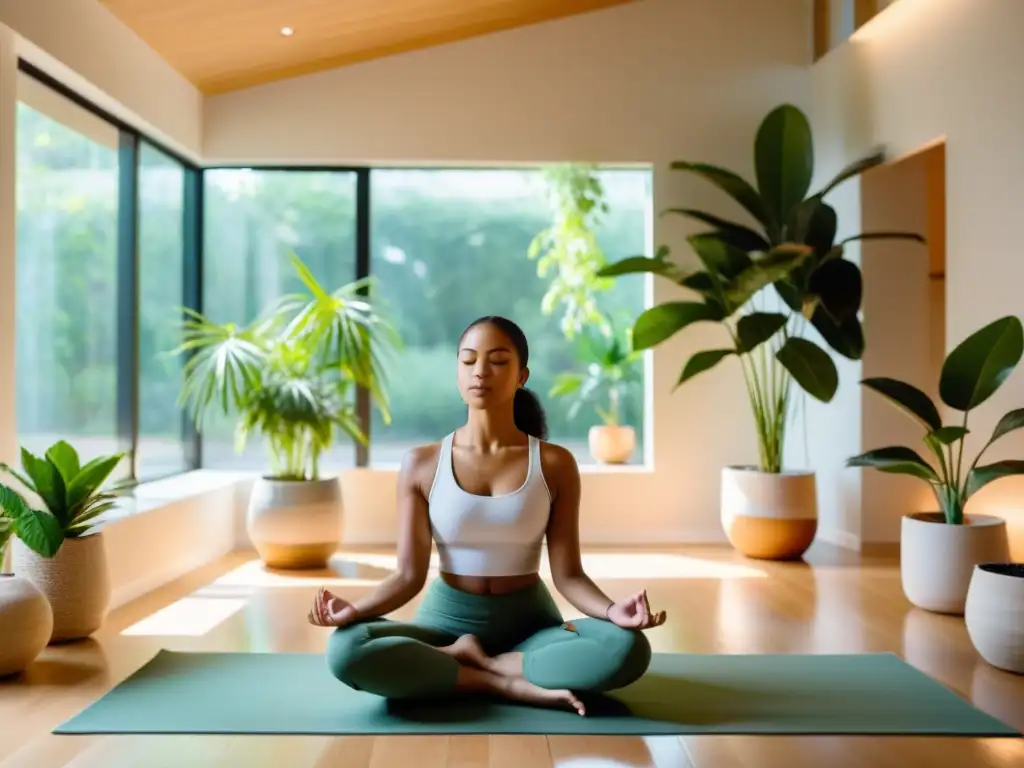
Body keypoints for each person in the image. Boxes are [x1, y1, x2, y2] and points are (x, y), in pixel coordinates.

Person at [307, 315, 666, 715]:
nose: (480, 371)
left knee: (628, 647)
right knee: (345, 648)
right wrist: (355, 610)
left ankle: (479, 667)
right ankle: (501, 682)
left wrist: (612, 611)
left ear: (521, 376)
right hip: (444, 627)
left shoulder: (554, 463)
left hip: (532, 629)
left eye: (497, 360)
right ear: (458, 373)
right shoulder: (422, 464)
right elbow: (408, 575)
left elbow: (569, 574)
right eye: (468, 360)